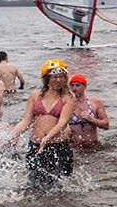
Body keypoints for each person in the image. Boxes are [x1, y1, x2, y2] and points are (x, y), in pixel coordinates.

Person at [9, 60, 76, 188]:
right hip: (36, 146)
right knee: (33, 186)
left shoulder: (69, 97)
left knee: (58, 188)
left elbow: (62, 123)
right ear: (47, 78)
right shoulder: (35, 95)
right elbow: (26, 121)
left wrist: (47, 137)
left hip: (58, 146)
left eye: (61, 77)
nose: (58, 80)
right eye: (54, 76)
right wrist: (9, 136)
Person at [67, 74, 109, 149]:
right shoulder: (67, 104)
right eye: (72, 85)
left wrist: (91, 119)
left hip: (92, 145)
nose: (74, 88)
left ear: (84, 86)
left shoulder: (96, 102)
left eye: (77, 85)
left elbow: (106, 125)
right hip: (74, 146)